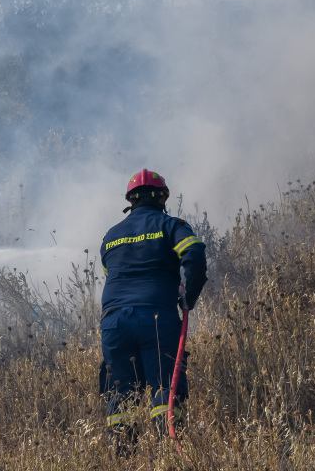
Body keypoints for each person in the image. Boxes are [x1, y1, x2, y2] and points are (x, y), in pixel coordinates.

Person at [98, 169, 207, 435]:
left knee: (122, 392)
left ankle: (122, 455)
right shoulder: (171, 226)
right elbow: (194, 254)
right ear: (162, 199)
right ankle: (166, 450)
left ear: (131, 200)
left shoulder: (110, 236)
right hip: (156, 318)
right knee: (165, 386)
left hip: (113, 322)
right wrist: (188, 298)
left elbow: (109, 273)